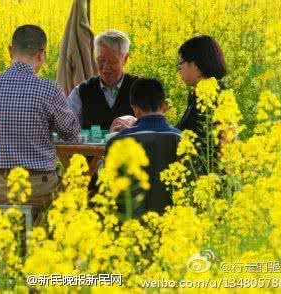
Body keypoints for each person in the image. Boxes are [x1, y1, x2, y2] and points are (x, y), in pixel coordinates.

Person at [0, 24, 80, 224]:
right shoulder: (49, 89)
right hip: (37, 187)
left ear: (10, 51)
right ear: (41, 55)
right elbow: (71, 134)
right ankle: (44, 248)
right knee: (75, 193)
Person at [105, 78, 181, 216]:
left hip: (130, 223)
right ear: (164, 106)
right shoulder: (181, 139)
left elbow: (109, 185)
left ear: (135, 109)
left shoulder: (118, 142)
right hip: (172, 223)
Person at [67, 29, 138, 130]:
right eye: (101, 60)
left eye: (113, 61)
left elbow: (152, 126)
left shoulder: (139, 89)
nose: (105, 67)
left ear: (125, 59)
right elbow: (66, 126)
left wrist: (134, 125)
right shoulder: (82, 91)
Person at [176, 35, 227, 138]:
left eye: (181, 63)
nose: (179, 68)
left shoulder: (210, 96)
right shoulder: (201, 93)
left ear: (196, 65)